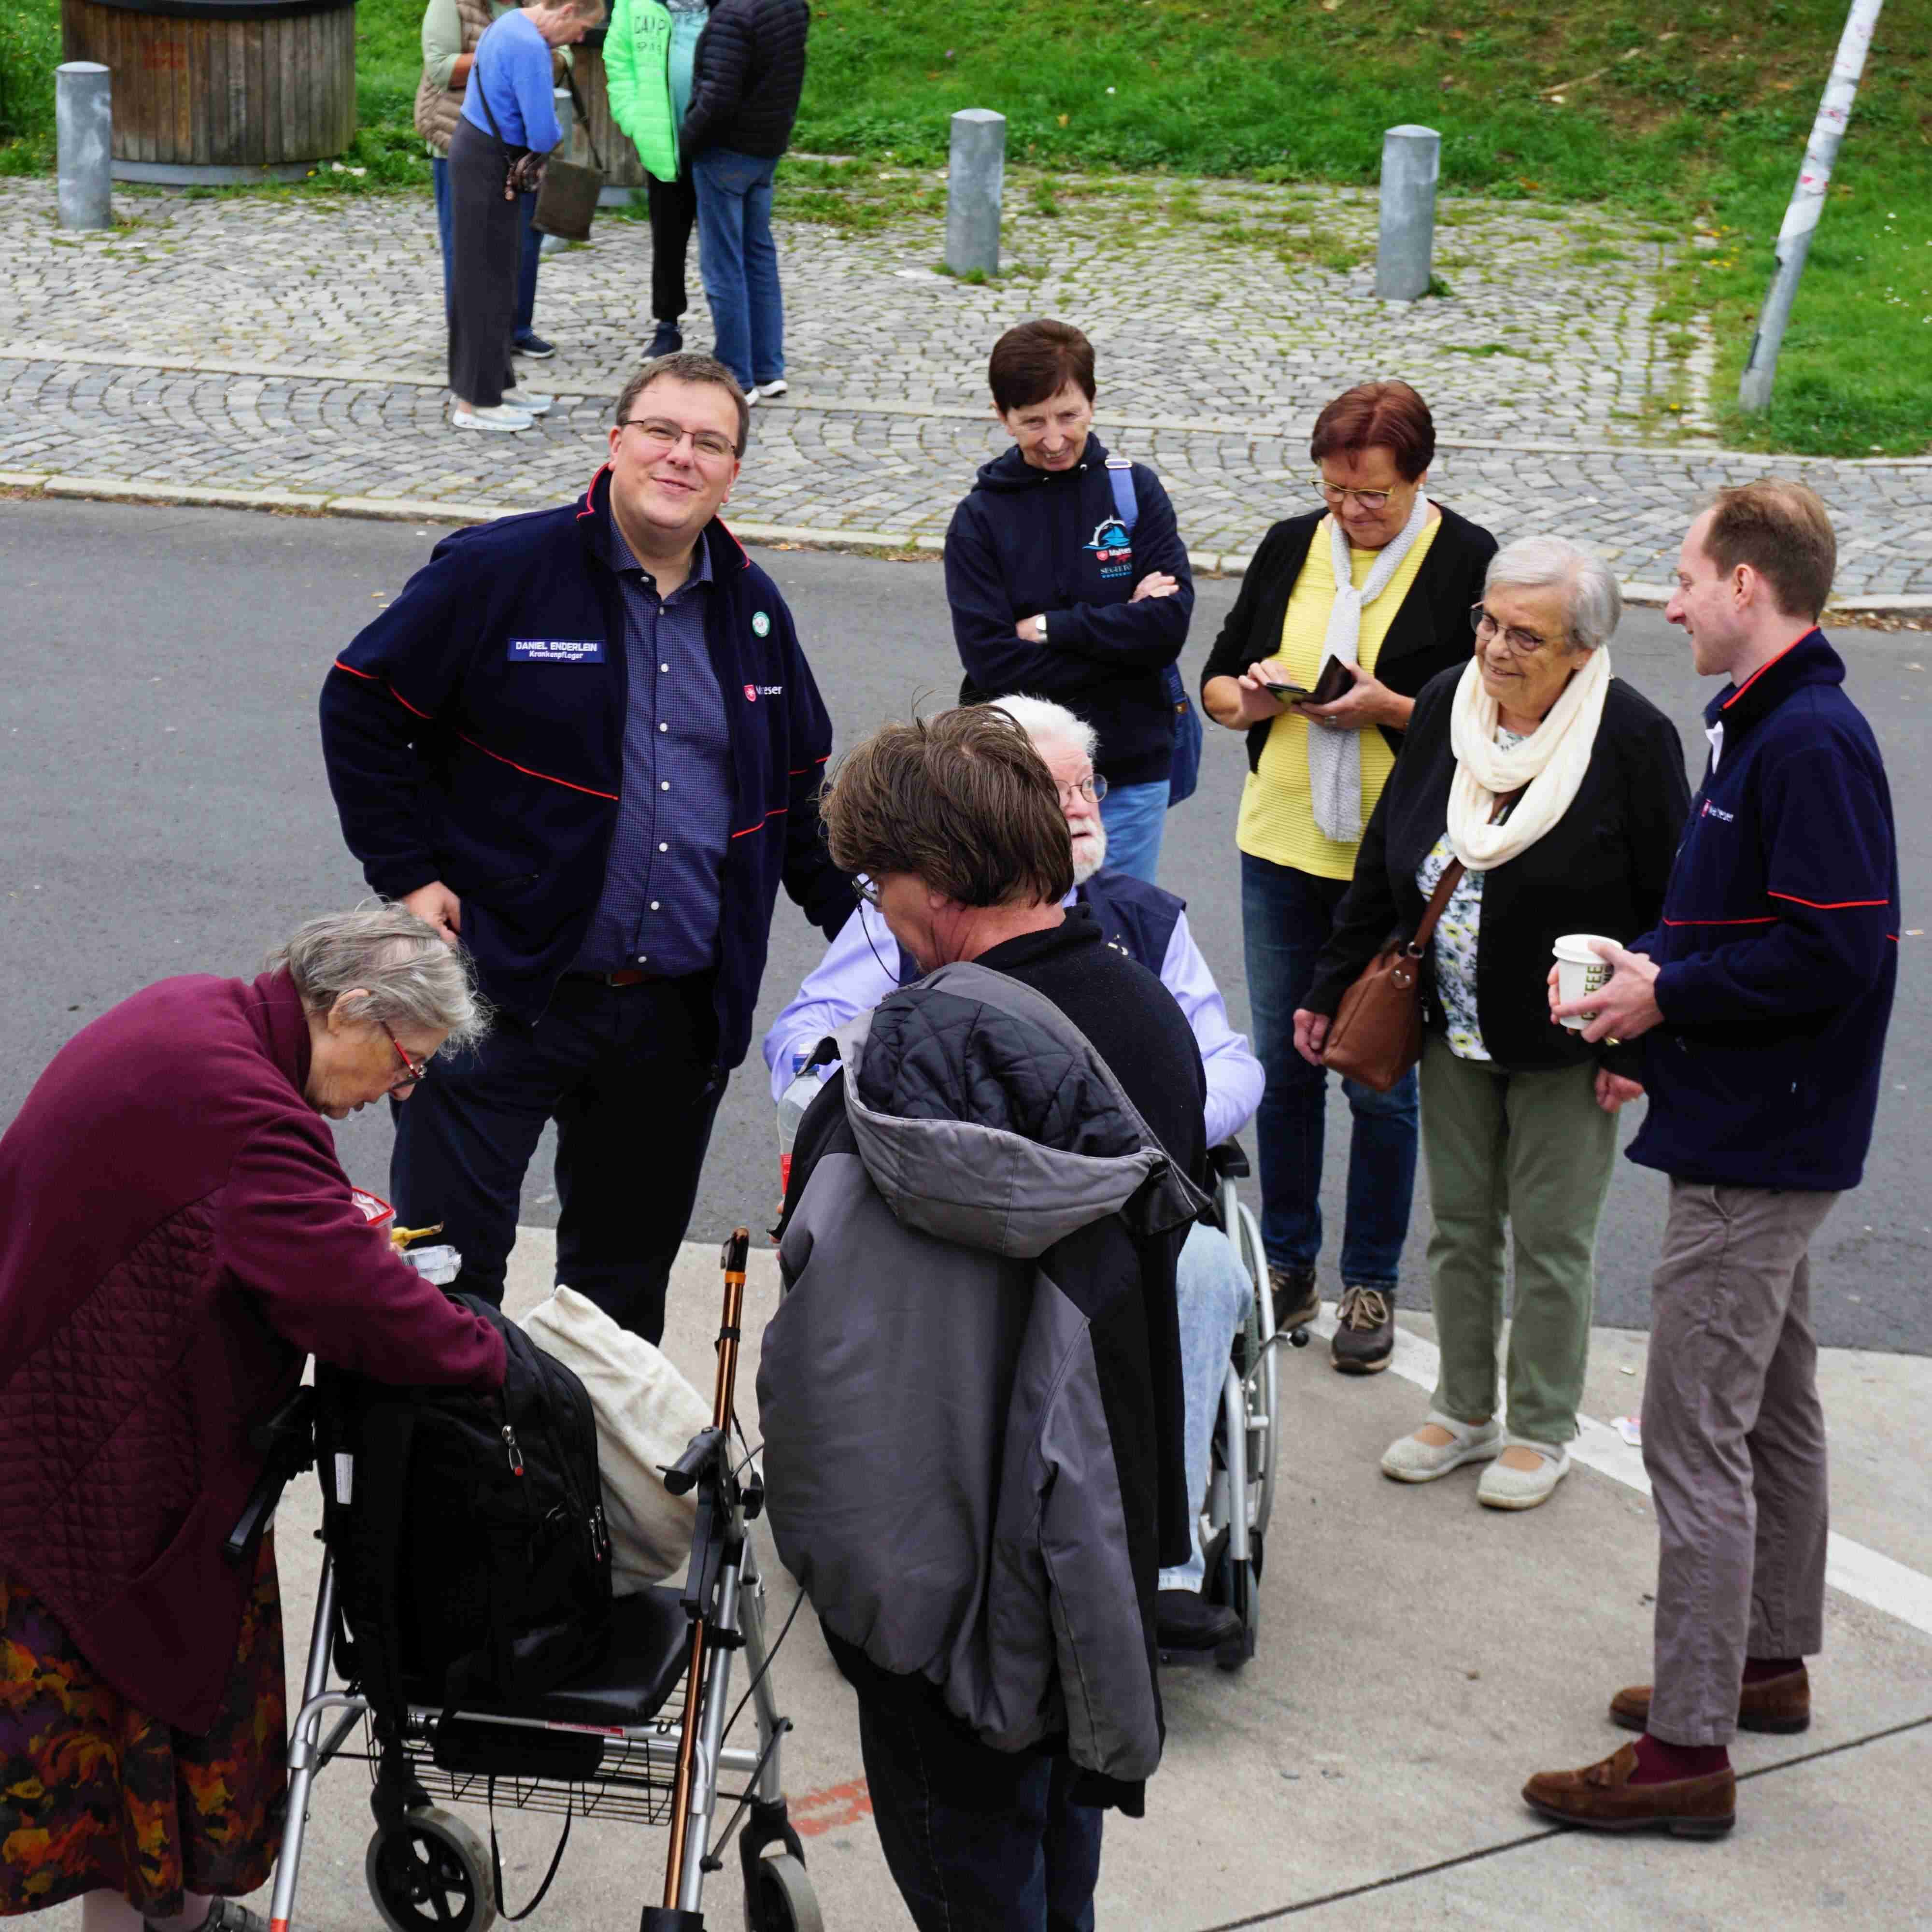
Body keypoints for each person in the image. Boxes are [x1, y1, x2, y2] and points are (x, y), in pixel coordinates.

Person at [758, 705, 1209, 1932]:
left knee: (969, 1887)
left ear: (939, 884)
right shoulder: (1146, 1017)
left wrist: (859, 1602)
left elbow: (836, 1371)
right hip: (1092, 1532)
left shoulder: (900, 1074)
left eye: (880, 882)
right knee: (1058, 1866)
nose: (880, 909)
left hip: (941, 1586)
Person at [320, 351, 852, 1342]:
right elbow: (360, 703)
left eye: (709, 443)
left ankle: (585, 1453)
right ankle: (447, 1449)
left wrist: (882, 934)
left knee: (619, 1308)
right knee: (446, 1284)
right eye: (661, 431)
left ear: (733, 472)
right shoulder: (500, 570)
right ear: (615, 443)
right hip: (492, 997)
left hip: (672, 1018)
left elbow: (798, 799)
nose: (681, 456)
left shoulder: (754, 611)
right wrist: (408, 874)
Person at [0, 907, 507, 1932]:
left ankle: (175, 1918)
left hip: (42, 1409)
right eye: (405, 1062)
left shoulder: (197, 1011)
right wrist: (495, 1353)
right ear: (350, 1008)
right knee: (116, 1738)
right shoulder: (252, 1117)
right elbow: (365, 1308)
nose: (400, 1090)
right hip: (79, 1470)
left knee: (121, 1752)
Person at [1524, 482, 1899, 1835]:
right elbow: (1754, 921)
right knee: (1776, 1407)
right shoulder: (1767, 722)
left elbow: (1833, 951)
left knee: (1694, 1437)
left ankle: (1686, 1753)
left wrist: (1667, 996)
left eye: (1685, 578)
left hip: (1759, 1142)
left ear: (1748, 585)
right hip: (1758, 1125)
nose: (1670, 602)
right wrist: (1646, 969)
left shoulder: (1809, 742)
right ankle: (1763, 1662)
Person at [763, 692, 1264, 1657]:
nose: (1076, 807)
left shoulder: (1145, 924)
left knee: (1205, 1271)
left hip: (1129, 1202)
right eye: (1051, 788)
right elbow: (803, 1038)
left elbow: (1228, 1063)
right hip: (967, 1211)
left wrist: (1124, 1130)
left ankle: (1159, 1562)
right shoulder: (906, 926)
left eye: (1087, 786)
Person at [1295, 538, 1690, 1510]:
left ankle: (1542, 1428)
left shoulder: (1630, 737)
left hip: (1571, 1036)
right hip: (1451, 1020)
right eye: (1488, 621)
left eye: (1526, 635)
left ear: (1581, 648)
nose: (1495, 648)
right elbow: (1386, 856)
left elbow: (1670, 904)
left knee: (1552, 1240)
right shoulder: (1447, 705)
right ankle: (1463, 1409)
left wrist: (1637, 1045)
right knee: (1461, 1228)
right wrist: (1330, 981)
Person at [1199, 380, 1495, 1373]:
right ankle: (1288, 1264)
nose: (1350, 510)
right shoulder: (1292, 545)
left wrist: (1386, 707)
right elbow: (1217, 678)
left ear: (1419, 478)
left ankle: (1370, 1278)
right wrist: (1250, 697)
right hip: (1280, 842)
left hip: (1394, 865)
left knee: (1377, 1074)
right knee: (1285, 1072)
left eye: (1372, 494)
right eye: (1334, 490)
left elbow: (1490, 715)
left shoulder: (1468, 560)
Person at [946, 319, 1194, 884]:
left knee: (1119, 927)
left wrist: (1050, 629)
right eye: (1032, 422)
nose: (1054, 440)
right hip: (1018, 784)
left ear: (1093, 401)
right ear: (1001, 415)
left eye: (1068, 415)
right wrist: (1123, 639)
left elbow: (1166, 630)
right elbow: (993, 664)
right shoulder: (979, 521)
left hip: (1127, 775)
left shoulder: (1135, 491)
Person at [445, 0, 604, 432]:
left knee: (496, 277)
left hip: (480, 154)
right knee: (486, 283)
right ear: (566, 9)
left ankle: (497, 385)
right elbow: (542, 131)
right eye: (582, 27)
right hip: (491, 164)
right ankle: (475, 404)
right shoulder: (531, 46)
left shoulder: (510, 23)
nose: (580, 38)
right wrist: (556, 133)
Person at [415, 0, 559, 366]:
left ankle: (517, 330)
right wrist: (514, 56)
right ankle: (471, 341)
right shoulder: (450, 4)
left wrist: (533, 58)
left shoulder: (536, 5)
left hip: (521, 149)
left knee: (525, 241)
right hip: (458, 139)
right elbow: (442, 69)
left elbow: (564, 59)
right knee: (467, 247)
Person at [678, 0, 809, 402]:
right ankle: (769, 370)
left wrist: (686, 141)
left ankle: (738, 375)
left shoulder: (732, 16)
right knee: (759, 258)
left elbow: (718, 96)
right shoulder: (792, 6)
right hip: (766, 149)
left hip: (726, 152)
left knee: (724, 265)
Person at [603, 0, 708, 361]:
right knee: (668, 239)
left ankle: (736, 335)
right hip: (662, 140)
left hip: (717, 143)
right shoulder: (634, 4)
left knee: (725, 244)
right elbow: (618, 60)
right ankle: (667, 325)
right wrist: (635, 121)